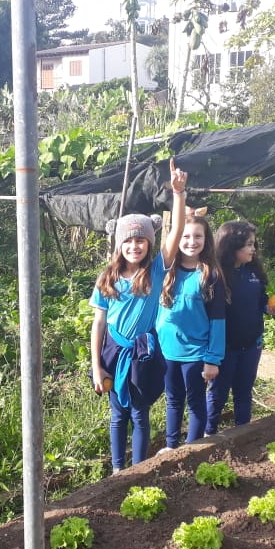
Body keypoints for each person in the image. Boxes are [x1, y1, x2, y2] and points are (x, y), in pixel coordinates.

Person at [89, 161, 187, 472]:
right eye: (128, 240)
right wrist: (96, 366)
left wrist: (178, 194)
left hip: (143, 352)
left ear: (149, 242)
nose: (134, 245)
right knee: (118, 414)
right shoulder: (108, 278)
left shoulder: (156, 270)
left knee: (140, 413)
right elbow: (99, 324)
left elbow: (177, 232)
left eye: (140, 240)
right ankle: (118, 471)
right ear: (120, 244)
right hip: (113, 351)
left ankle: (138, 471)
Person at [156, 172, 226, 450]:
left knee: (195, 402)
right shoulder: (164, 271)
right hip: (166, 351)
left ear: (206, 240)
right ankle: (171, 447)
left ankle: (192, 449)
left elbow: (218, 320)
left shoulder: (210, 275)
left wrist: (212, 359)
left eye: (198, 236)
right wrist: (178, 194)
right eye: (185, 236)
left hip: (195, 353)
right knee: (172, 400)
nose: (191, 241)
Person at [205, 221, 275, 435]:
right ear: (232, 245)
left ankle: (243, 434)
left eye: (254, 244)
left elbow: (260, 299)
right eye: (248, 244)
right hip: (225, 348)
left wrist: (268, 307)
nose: (253, 249)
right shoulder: (217, 275)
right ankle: (207, 435)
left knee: (244, 392)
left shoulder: (253, 272)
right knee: (217, 394)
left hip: (251, 345)